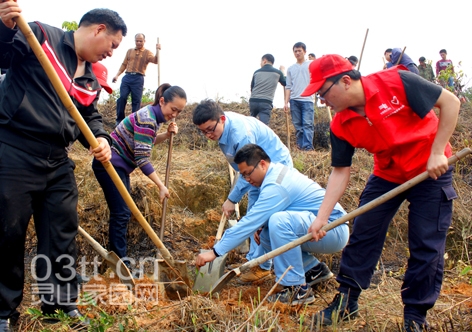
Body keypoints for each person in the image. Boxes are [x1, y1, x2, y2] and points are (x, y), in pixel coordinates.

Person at [301, 54, 459, 331]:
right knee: (364, 232)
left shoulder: (397, 82)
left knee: (426, 242)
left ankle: (415, 316)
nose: (322, 102)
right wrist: (321, 218)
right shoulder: (340, 124)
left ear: (346, 81)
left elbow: (451, 102)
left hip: (430, 169)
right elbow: (340, 171)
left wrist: (437, 152)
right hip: (388, 174)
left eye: (323, 93)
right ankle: (346, 302)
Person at [0, 2, 127, 331]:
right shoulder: (40, 36)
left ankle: (58, 303)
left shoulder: (90, 77)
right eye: (113, 45)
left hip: (57, 159)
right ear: (99, 29)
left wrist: (101, 138)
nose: (112, 54)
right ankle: (3, 311)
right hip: (15, 150)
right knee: (8, 232)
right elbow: (3, 57)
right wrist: (3, 27)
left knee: (61, 231)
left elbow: (88, 115)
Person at [196, 144, 349, 305]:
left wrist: (215, 252)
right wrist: (263, 226)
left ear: (262, 164)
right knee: (266, 233)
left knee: (278, 222)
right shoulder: (274, 173)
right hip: (315, 226)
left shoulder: (276, 184)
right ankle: (312, 269)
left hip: (332, 228)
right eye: (243, 176)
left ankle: (296, 289)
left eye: (248, 174)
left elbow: (249, 223)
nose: (247, 180)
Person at [192, 99, 293, 283]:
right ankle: (253, 262)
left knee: (261, 217)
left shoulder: (240, 135)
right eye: (202, 131)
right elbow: (244, 171)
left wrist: (233, 198)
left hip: (274, 168)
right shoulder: (222, 130)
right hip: (253, 173)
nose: (207, 135)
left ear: (221, 119)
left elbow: (249, 168)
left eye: (210, 129)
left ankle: (262, 267)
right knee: (254, 214)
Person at [92, 84, 186, 262]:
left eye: (179, 112)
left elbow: (145, 141)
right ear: (162, 101)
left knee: (123, 212)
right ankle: (120, 263)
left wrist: (165, 135)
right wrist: (160, 185)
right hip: (109, 164)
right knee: (121, 213)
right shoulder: (148, 119)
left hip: (118, 166)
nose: (174, 115)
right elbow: (142, 159)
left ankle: (116, 259)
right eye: (173, 109)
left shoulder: (153, 117)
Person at [112, 33, 160, 126]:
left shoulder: (147, 52)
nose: (138, 42)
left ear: (144, 41)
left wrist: (157, 50)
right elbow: (124, 64)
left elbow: (156, 60)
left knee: (136, 101)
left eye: (140, 41)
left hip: (138, 78)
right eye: (137, 41)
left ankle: (134, 122)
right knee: (122, 98)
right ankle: (119, 120)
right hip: (127, 77)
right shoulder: (129, 51)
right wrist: (117, 75)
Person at [284, 42, 315, 151]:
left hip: (307, 99)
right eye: (295, 51)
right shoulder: (291, 68)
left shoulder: (311, 65)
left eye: (299, 51)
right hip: (294, 100)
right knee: (298, 126)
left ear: (304, 52)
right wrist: (286, 102)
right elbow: (288, 86)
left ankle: (308, 148)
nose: (297, 53)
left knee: (307, 124)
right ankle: (300, 147)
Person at [249, 54, 286, 126]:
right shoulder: (278, 73)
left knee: (251, 124)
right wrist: (283, 71)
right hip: (266, 102)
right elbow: (285, 83)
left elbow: (252, 87)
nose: (260, 63)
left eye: (261, 61)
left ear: (264, 61)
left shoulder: (256, 72)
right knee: (264, 127)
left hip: (253, 101)